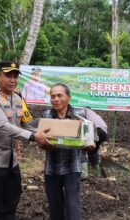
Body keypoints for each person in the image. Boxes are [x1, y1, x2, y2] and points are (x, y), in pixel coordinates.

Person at [0, 61, 52, 220]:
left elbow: (25, 124)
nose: (12, 80)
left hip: (10, 160)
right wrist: (33, 137)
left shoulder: (17, 98)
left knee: (12, 199)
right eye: (8, 75)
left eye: (15, 76)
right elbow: (4, 126)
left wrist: (45, 131)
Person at [40, 83, 87, 220]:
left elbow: (87, 140)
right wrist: (46, 144)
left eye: (59, 95)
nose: (56, 99)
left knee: (73, 207)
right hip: (52, 167)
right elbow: (41, 142)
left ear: (69, 97)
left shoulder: (79, 115)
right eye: (53, 96)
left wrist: (86, 144)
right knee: (55, 207)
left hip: (73, 166)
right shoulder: (46, 115)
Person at [81, 107, 107, 177]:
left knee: (82, 148)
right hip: (104, 133)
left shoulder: (83, 110)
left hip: (95, 130)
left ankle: (84, 174)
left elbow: (81, 124)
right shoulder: (94, 114)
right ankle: (97, 174)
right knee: (93, 151)